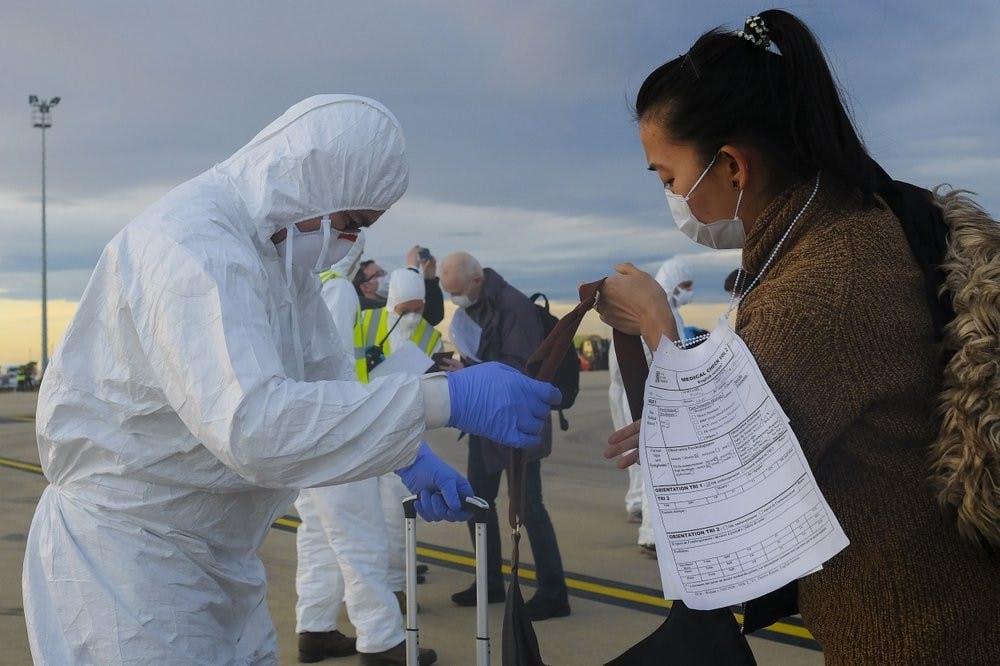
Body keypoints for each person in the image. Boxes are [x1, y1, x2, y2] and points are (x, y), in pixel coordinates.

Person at [22, 95, 561, 665]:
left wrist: (404, 455)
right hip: (129, 565)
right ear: (307, 182)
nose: (350, 244)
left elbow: (326, 382)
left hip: (218, 559)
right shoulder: (193, 245)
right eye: (351, 224)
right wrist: (442, 398)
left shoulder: (281, 262)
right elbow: (253, 427)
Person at [598, 11, 998, 664]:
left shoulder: (823, 282)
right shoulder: (841, 226)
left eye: (669, 178)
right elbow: (787, 405)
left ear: (732, 166)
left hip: (915, 636)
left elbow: (729, 495)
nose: (670, 196)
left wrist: (654, 322)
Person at [296, 242, 439, 664]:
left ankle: (315, 628)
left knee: (319, 538)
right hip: (338, 438)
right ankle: (381, 641)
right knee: (362, 539)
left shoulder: (304, 284)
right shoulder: (336, 290)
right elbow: (336, 372)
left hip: (307, 436)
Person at [439, 251, 571, 622]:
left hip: (518, 422)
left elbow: (521, 369)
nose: (455, 301)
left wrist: (466, 368)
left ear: (477, 281)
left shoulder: (515, 308)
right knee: (476, 502)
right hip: (485, 422)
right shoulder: (477, 307)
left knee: (529, 507)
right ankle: (490, 582)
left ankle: (554, 592)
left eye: (457, 293)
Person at [607, 256, 695, 555]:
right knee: (653, 463)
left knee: (644, 462)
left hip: (636, 393)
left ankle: (639, 510)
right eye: (685, 285)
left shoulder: (653, 311)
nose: (688, 291)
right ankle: (652, 533)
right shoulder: (652, 314)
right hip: (644, 394)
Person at [353, 245, 445, 325]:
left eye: (384, 271)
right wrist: (412, 269)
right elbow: (400, 309)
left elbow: (433, 317)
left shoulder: (389, 305)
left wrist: (429, 279)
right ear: (366, 286)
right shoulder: (363, 311)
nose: (386, 276)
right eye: (379, 273)